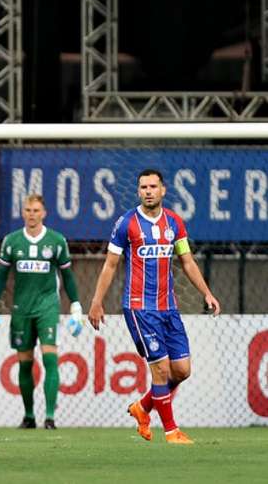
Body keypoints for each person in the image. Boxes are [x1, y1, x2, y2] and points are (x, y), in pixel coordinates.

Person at [87, 169, 221, 445]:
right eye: (143, 187)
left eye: (152, 186)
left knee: (182, 370)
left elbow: (187, 261)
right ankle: (171, 432)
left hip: (168, 307)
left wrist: (207, 293)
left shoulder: (174, 223)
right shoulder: (126, 224)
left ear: (163, 190)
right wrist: (96, 301)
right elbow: (110, 264)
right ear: (138, 191)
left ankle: (143, 407)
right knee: (160, 370)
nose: (148, 191)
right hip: (140, 309)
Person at [0, 194, 83, 430]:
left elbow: (67, 275)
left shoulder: (56, 241)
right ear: (22, 213)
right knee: (25, 363)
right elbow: (1, 276)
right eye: (28, 210)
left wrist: (76, 305)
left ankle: (50, 417)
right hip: (21, 309)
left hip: (48, 307)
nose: (31, 214)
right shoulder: (12, 241)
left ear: (44, 213)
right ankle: (29, 416)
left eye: (36, 210)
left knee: (50, 358)